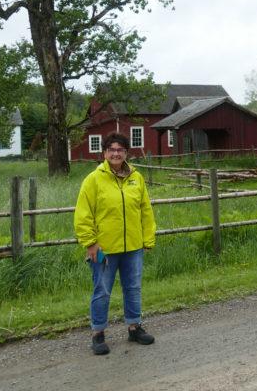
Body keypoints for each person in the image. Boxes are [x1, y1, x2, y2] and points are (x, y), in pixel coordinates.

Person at [74, 132, 156, 355]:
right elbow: (83, 214)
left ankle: (134, 327)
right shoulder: (93, 179)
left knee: (133, 287)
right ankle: (98, 333)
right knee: (102, 290)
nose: (116, 153)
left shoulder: (136, 178)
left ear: (126, 153)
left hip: (133, 247)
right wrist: (90, 243)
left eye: (120, 150)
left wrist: (147, 238)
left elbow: (145, 210)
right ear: (104, 153)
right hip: (104, 249)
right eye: (111, 149)